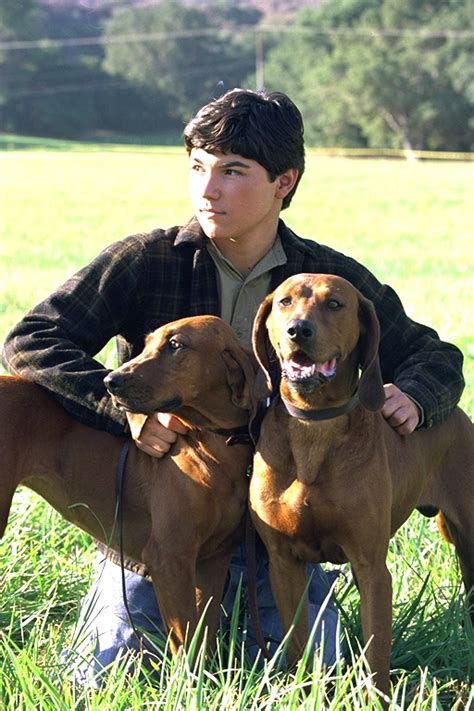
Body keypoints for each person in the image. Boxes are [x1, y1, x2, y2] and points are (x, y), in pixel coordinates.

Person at [2, 89, 464, 683]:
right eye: (197, 167)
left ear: (283, 183)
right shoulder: (148, 260)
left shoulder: (324, 279)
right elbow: (32, 339)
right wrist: (128, 415)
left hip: (284, 538)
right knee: (104, 679)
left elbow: (436, 355)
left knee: (316, 676)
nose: (207, 188)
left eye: (232, 171)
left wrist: (416, 396)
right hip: (165, 541)